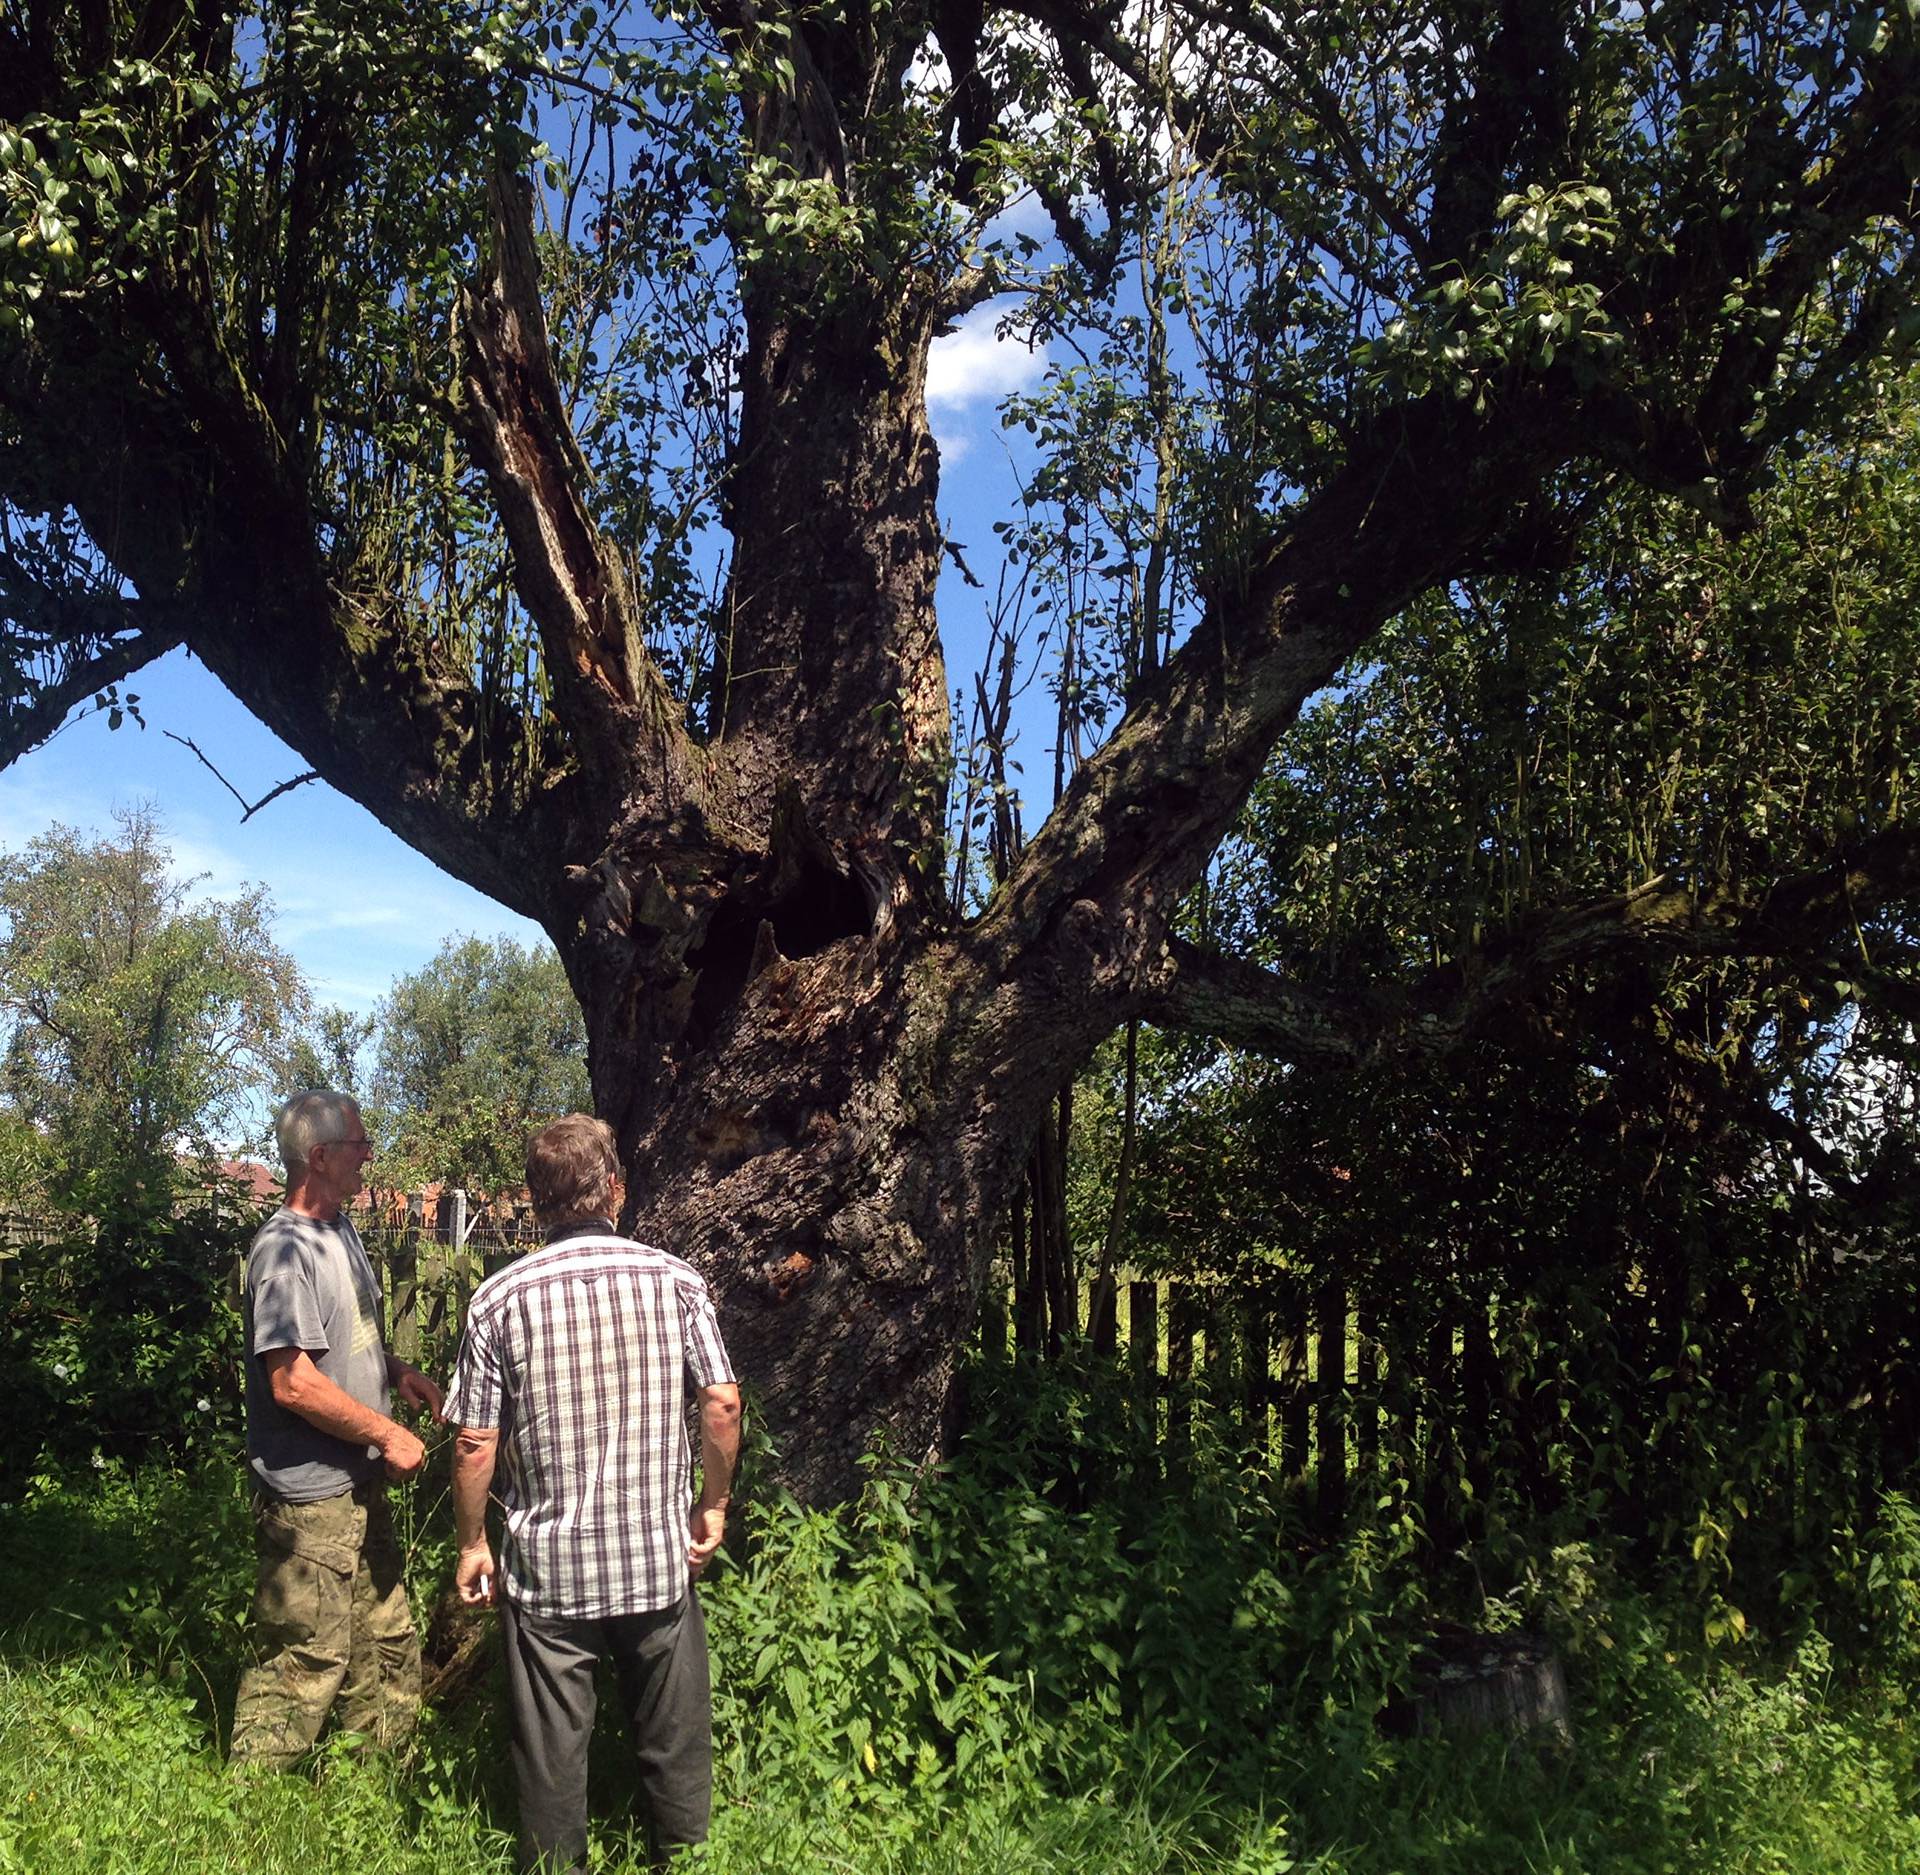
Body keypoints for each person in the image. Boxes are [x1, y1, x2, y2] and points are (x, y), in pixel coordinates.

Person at [444, 1113, 741, 1874]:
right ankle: (687, 1860)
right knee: (674, 1741)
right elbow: (722, 1400)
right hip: (654, 1558)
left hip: (549, 1571)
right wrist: (713, 1503)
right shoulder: (675, 1280)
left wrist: (474, 1542)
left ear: (536, 1199)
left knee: (550, 1759)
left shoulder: (499, 1298)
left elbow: (475, 1439)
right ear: (615, 1186)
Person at [228, 1089, 444, 1768]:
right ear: (319, 1157)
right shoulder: (283, 1251)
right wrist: (385, 1431)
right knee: (303, 1656)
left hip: (357, 1481)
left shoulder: (339, 1231)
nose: (369, 1155)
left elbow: (347, 1342)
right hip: (311, 1497)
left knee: (383, 1635)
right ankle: (243, 1809)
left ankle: (377, 1780)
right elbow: (290, 1380)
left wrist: (396, 1368)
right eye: (358, 1144)